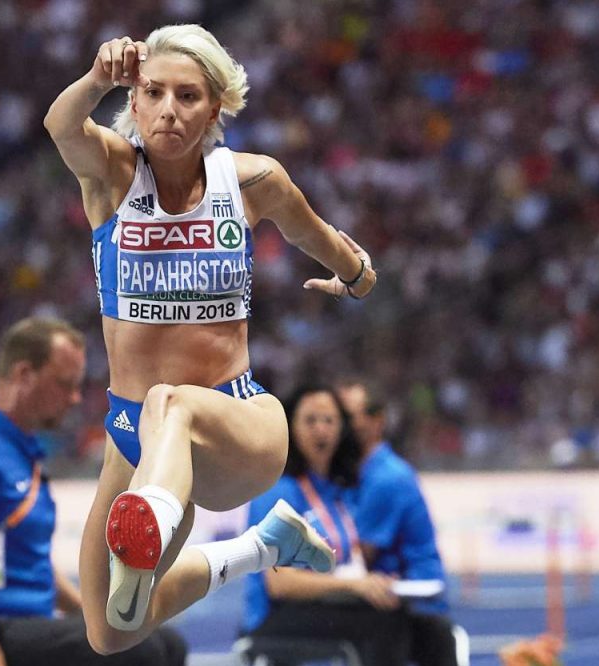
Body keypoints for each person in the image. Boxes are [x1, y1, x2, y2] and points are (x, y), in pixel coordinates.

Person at [43, 24, 377, 654]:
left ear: (215, 108)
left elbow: (313, 233)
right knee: (110, 631)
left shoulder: (252, 180)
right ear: (134, 101)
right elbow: (61, 127)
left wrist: (356, 274)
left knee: (171, 400)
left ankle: (153, 514)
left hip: (238, 424)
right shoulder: (111, 174)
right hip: (133, 434)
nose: (169, 109)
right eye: (154, 93)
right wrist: (95, 78)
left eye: (188, 96)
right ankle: (260, 548)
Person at [0, 317, 188, 666]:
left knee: (167, 643)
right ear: (24, 375)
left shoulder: (22, 454)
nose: (74, 398)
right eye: (64, 384)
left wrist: (97, 622)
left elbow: (35, 567)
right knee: (144, 654)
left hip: (27, 630)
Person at [242, 383, 411, 666]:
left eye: (329, 420)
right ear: (291, 428)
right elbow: (280, 583)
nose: (321, 429)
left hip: (330, 606)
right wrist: (355, 586)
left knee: (423, 626)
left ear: (342, 429)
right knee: (381, 626)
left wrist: (377, 582)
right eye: (310, 420)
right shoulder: (277, 491)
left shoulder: (339, 491)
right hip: (277, 616)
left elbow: (352, 558)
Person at [337, 380, 457, 666]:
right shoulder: (359, 474)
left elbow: (359, 555)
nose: (339, 427)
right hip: (390, 599)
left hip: (413, 603)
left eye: (348, 416)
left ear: (377, 420)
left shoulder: (387, 478)